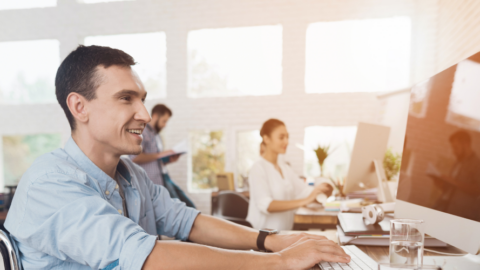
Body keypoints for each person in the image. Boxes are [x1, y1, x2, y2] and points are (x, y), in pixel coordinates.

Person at [4, 45, 350, 269]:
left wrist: (270, 241)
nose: (144, 113)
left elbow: (189, 222)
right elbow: (148, 256)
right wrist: (280, 262)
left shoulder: (129, 175)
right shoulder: (51, 184)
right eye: (126, 98)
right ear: (80, 107)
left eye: (142, 98)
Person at [247, 119, 333, 230]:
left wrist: (323, 185)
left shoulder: (285, 168)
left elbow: (305, 191)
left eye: (287, 137)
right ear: (266, 139)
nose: (286, 142)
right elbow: (267, 205)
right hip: (262, 237)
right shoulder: (258, 168)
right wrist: (306, 200)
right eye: (281, 137)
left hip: (284, 235)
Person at [129, 104, 195, 208]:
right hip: (153, 181)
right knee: (179, 209)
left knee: (189, 206)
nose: (165, 125)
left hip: (164, 176)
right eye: (164, 121)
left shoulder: (156, 135)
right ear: (155, 116)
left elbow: (155, 159)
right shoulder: (143, 132)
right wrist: (161, 154)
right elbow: (135, 157)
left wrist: (168, 159)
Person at [431, 130, 480, 220]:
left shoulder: (477, 164)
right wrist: (442, 185)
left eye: (456, 147)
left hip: (460, 214)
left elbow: (478, 189)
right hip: (444, 207)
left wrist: (454, 182)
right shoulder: (457, 163)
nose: (453, 151)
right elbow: (453, 188)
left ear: (466, 144)